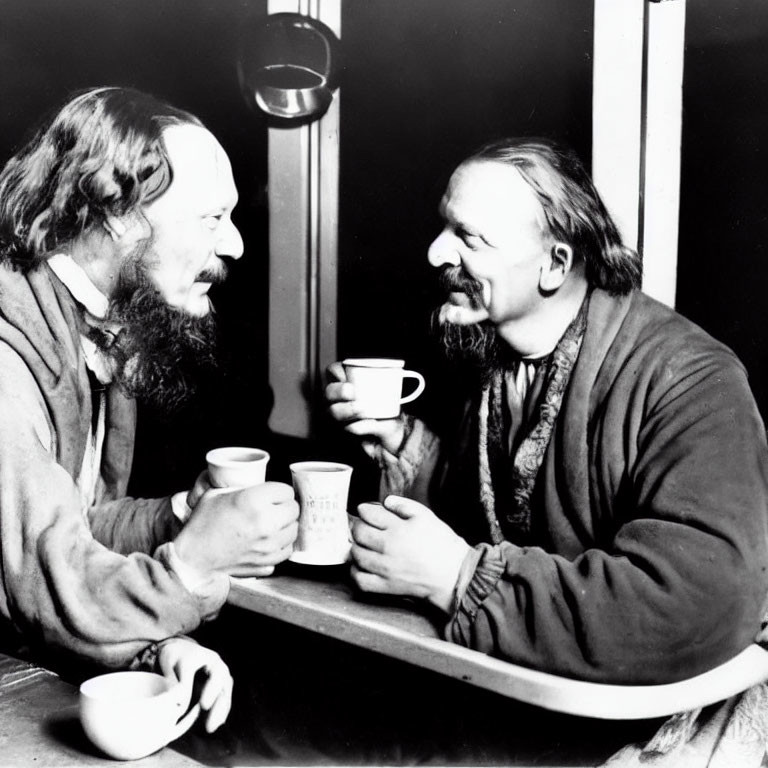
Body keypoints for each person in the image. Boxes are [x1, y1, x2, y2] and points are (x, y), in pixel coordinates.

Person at [326, 137, 768, 684]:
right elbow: (503, 518)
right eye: (444, 226)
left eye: (468, 237)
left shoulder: (693, 380)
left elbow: (697, 601)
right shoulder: (496, 359)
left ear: (555, 264)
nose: (435, 254)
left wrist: (461, 579)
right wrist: (402, 444)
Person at [0, 87, 299, 731]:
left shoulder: (94, 326)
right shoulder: (5, 356)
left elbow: (73, 522)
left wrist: (183, 518)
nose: (238, 246)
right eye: (212, 218)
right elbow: (45, 584)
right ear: (119, 214)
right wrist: (189, 568)